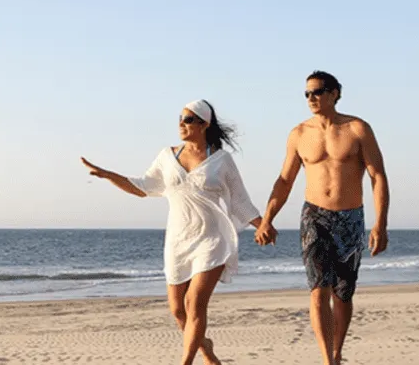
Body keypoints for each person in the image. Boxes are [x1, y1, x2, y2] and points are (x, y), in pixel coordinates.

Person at [81, 99, 275, 365]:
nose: (181, 124)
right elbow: (142, 187)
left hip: (212, 239)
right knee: (177, 310)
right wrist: (108, 175)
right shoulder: (166, 156)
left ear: (204, 124)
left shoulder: (221, 160)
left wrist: (262, 224)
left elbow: (240, 200)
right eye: (180, 118)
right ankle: (207, 351)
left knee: (195, 303)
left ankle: (185, 362)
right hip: (178, 241)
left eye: (188, 119)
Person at [254, 70, 390, 365]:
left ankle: (338, 352)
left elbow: (377, 177)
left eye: (317, 92)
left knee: (343, 293)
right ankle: (327, 360)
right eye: (307, 94)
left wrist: (381, 224)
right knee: (318, 290)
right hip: (314, 216)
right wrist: (267, 218)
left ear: (334, 93)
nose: (311, 98)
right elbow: (284, 181)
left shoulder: (357, 129)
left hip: (350, 218)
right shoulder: (299, 133)